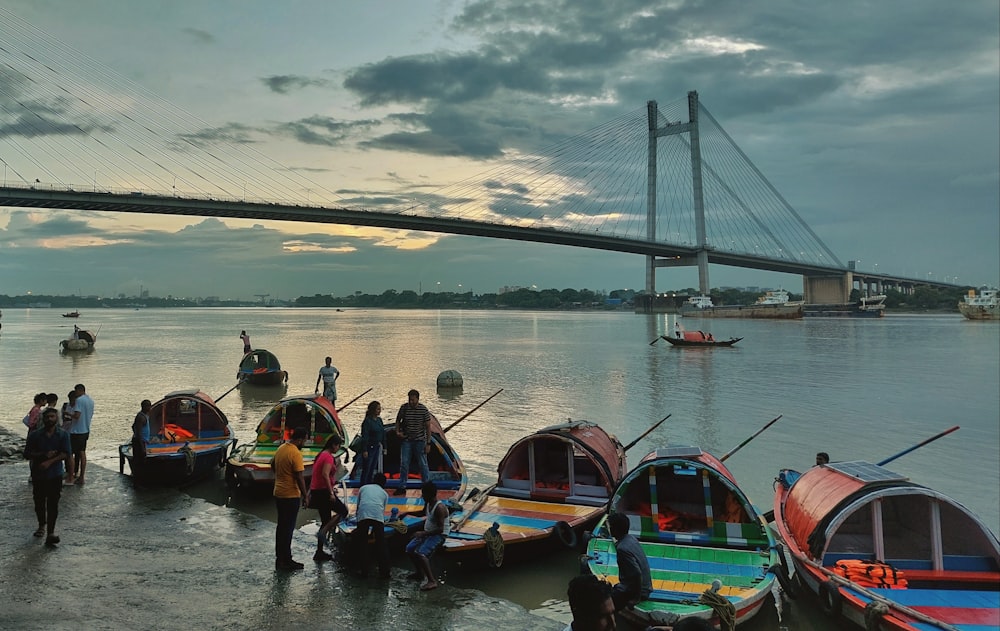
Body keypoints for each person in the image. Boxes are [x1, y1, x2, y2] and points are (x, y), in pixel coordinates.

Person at [25, 408, 73, 546]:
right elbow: (27, 454)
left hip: (55, 474)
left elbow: (66, 454)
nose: (49, 419)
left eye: (52, 417)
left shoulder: (63, 435)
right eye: (47, 417)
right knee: (39, 502)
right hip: (38, 475)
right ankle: (41, 525)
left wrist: (50, 461)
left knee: (53, 503)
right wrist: (42, 455)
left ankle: (51, 532)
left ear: (56, 418)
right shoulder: (35, 435)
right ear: (43, 419)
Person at [307, 434, 349, 563]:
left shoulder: (321, 455)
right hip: (324, 492)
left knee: (325, 519)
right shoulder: (328, 457)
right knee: (343, 511)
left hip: (317, 491)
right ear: (333, 445)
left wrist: (309, 493)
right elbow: (325, 474)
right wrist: (330, 492)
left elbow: (316, 476)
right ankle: (324, 531)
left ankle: (319, 552)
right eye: (338, 446)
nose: (338, 448)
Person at [273, 426, 309, 570]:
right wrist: (306, 496)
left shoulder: (282, 448)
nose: (305, 443)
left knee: (281, 527)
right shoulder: (295, 453)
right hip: (290, 495)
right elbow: (299, 477)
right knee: (288, 529)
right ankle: (286, 560)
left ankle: (280, 558)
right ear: (300, 439)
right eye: (305, 440)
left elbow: (272, 464)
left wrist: (280, 478)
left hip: (278, 492)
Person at [403, 480, 449, 591]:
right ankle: (419, 573)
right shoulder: (428, 503)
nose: (422, 496)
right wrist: (407, 513)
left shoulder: (439, 508)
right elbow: (422, 513)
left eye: (423, 494)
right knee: (409, 549)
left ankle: (432, 581)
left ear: (429, 494)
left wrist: (422, 533)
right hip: (428, 532)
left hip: (439, 535)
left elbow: (440, 529)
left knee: (421, 553)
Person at [607, 512, 652, 612]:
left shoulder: (622, 549)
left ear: (615, 529)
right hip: (645, 586)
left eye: (611, 527)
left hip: (638, 591)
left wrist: (636, 598)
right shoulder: (631, 539)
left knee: (605, 600)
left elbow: (637, 574)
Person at [394, 389, 432, 495]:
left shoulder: (423, 410)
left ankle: (426, 486)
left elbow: (428, 427)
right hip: (407, 440)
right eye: (410, 399)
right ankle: (402, 486)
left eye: (413, 400)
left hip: (420, 441)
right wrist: (397, 432)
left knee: (423, 464)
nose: (411, 402)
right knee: (404, 463)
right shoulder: (404, 408)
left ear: (417, 399)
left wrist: (428, 443)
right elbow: (398, 420)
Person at [352, 472, 390, 578]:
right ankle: (385, 571)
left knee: (362, 543)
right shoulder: (384, 494)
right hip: (378, 517)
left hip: (363, 516)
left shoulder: (363, 488)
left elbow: (359, 506)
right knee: (381, 545)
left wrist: (358, 525)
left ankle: (364, 571)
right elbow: (381, 511)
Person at [69, 383, 94, 484]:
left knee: (70, 453)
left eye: (76, 391)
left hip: (77, 431)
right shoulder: (91, 401)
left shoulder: (79, 400)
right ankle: (81, 475)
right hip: (86, 429)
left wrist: (68, 414)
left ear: (79, 390)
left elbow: (77, 415)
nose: (75, 394)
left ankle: (71, 475)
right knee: (82, 452)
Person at [359, 401, 386, 485]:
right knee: (367, 468)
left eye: (380, 409)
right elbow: (365, 436)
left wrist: (385, 446)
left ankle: (370, 485)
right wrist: (364, 450)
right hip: (369, 447)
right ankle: (363, 485)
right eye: (378, 409)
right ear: (373, 410)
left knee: (372, 468)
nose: (379, 411)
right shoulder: (367, 421)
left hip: (376, 446)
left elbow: (383, 433)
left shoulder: (379, 420)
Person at [131, 399, 152, 469]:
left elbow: (133, 427)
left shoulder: (145, 416)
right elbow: (139, 433)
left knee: (142, 460)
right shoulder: (141, 417)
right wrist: (142, 446)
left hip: (143, 441)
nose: (150, 408)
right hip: (139, 442)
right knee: (140, 460)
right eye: (148, 406)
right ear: (144, 407)